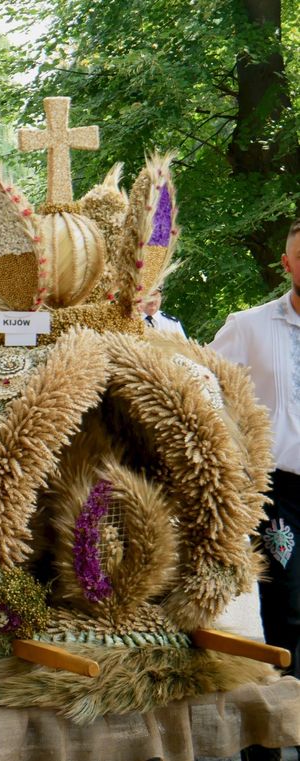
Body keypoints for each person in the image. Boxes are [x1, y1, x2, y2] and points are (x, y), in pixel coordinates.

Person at [210, 219, 300, 675]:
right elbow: (204, 385)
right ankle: (287, 718)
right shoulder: (249, 326)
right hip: (280, 492)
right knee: (288, 608)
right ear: (287, 264)